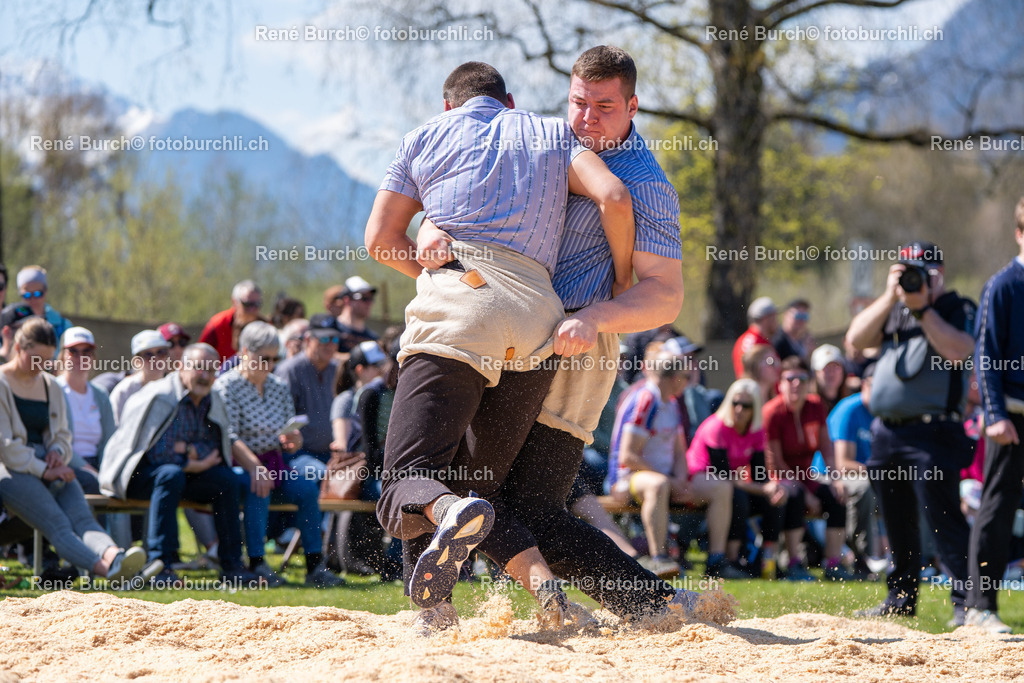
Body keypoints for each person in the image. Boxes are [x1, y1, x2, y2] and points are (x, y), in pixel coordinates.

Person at [365, 59, 635, 625]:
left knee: (406, 482)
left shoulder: (424, 136)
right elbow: (613, 195)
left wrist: (436, 269)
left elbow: (380, 239)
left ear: (448, 106)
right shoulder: (551, 133)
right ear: (509, 102)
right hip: (540, 315)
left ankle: (442, 572)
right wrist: (622, 281)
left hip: (461, 301)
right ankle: (534, 591)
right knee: (475, 483)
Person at [847, 240, 975, 626]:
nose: (916, 279)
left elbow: (959, 350)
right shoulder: (894, 308)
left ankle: (967, 604)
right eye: (907, 271)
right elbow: (855, 341)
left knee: (943, 517)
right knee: (895, 518)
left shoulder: (956, 307)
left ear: (941, 273)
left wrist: (923, 308)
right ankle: (900, 597)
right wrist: (890, 296)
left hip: (934, 431)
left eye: (924, 272)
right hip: (888, 432)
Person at [99, 344, 259, 587]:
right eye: (199, 368)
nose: (205, 376)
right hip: (137, 476)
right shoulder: (160, 396)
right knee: (170, 474)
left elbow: (216, 447)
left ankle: (233, 565)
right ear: (181, 367)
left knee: (226, 479)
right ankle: (160, 565)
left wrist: (189, 452)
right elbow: (156, 453)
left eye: (211, 370)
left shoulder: (213, 399)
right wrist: (192, 461)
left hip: (182, 476)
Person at [0, 318, 147, 581]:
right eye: (35, 359)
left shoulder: (50, 385)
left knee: (84, 519)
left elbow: (63, 435)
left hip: (52, 467)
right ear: (19, 348)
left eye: (46, 361)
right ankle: (107, 571)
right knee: (59, 524)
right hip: (12, 471)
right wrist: (45, 470)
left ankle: (116, 557)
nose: (40, 367)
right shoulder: (2, 382)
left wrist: (58, 452)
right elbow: (6, 447)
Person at [214, 321, 344, 588]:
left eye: (276, 358)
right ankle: (257, 563)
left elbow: (290, 438)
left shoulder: (277, 386)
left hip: (275, 462)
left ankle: (314, 565)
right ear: (246, 352)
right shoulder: (226, 386)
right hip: (240, 465)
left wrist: (293, 440)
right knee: (258, 486)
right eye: (264, 358)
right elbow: (230, 436)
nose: (271, 364)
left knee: (308, 489)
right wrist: (254, 467)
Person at [966, 199, 1024, 634]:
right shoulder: (1002, 286)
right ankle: (980, 607)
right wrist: (995, 413)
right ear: (1020, 233)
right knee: (997, 511)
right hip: (1011, 420)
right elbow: (984, 354)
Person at [687, 378, 795, 576]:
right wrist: (763, 488)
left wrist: (775, 487)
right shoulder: (716, 427)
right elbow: (723, 476)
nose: (739, 409)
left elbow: (759, 473)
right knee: (739, 497)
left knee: (776, 498)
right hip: (702, 481)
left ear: (755, 408)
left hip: (731, 483)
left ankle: (768, 558)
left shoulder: (756, 431)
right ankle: (731, 559)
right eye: (735, 403)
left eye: (745, 405)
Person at [763, 356, 853, 581]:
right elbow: (774, 462)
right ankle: (794, 562)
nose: (796, 384)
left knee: (837, 496)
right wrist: (804, 491)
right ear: (780, 383)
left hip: (807, 476)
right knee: (794, 496)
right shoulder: (772, 412)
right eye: (790, 378)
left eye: (802, 379)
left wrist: (835, 479)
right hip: (778, 477)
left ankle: (833, 564)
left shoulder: (815, 406)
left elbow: (826, 448)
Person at [828, 363, 880, 578]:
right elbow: (843, 463)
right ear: (865, 385)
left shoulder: (883, 411)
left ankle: (919, 559)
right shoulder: (849, 410)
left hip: (867, 474)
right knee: (865, 488)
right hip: (830, 476)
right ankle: (862, 557)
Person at [274, 313, 343, 477]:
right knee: (322, 476)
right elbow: (280, 421)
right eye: (323, 339)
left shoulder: (338, 369)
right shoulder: (289, 370)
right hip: (298, 453)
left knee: (355, 480)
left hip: (331, 453)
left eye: (334, 339)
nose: (330, 345)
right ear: (307, 340)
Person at [54, 327, 116, 493]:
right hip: (67, 464)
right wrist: (90, 470)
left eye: (87, 351)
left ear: (93, 357)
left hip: (99, 464)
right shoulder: (53, 390)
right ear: (63, 356)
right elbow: (57, 441)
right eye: (73, 351)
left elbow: (110, 440)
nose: (80, 358)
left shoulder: (100, 394)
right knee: (93, 483)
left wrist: (106, 472)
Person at [110, 330, 172, 425]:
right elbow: (115, 430)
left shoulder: (174, 389)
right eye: (148, 354)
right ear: (137, 361)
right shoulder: (124, 391)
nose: (155, 359)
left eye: (161, 352)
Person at [199, 280, 264, 362]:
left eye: (257, 304)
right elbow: (200, 355)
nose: (252, 309)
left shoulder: (264, 326)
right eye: (247, 304)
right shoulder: (218, 324)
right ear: (234, 302)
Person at [15, 266, 72, 343]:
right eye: (27, 295)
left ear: (45, 291)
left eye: (38, 294)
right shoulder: (12, 325)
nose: (33, 299)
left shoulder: (63, 326)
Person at [732, 297, 777, 378]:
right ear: (766, 319)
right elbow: (747, 377)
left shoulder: (762, 339)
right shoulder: (752, 342)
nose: (776, 321)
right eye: (774, 317)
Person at [334, 277, 380, 353]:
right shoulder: (331, 328)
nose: (369, 303)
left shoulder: (373, 338)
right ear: (347, 300)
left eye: (371, 298)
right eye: (364, 298)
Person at [811, 344, 850, 415]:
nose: (831, 372)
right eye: (826, 368)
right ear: (815, 373)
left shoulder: (851, 401)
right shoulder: (809, 406)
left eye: (835, 366)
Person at [773, 299, 814, 364]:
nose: (801, 320)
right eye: (798, 316)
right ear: (786, 315)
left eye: (805, 317)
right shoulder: (777, 341)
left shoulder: (806, 340)